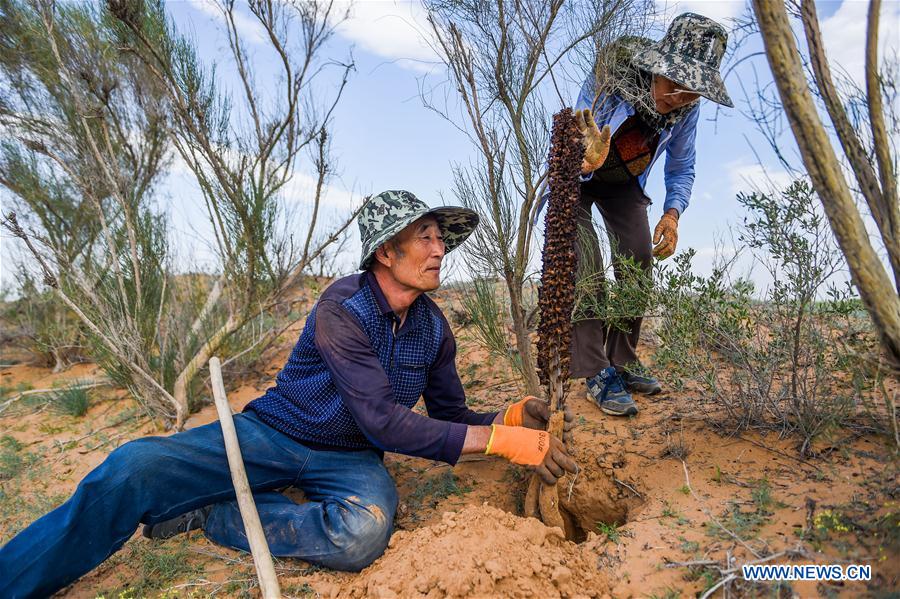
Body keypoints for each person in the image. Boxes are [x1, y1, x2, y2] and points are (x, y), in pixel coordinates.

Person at [0, 190, 577, 598]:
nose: (438, 250)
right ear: (385, 252)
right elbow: (383, 420)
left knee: (364, 532)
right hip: (274, 434)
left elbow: (450, 415)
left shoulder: (432, 326)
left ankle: (216, 516)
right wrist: (501, 442)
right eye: (423, 238)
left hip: (349, 460)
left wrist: (509, 418)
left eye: (440, 240)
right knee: (133, 466)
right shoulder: (341, 309)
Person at [559, 12, 733, 417]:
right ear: (657, 69)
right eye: (674, 85)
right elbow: (581, 124)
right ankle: (596, 371)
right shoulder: (613, 75)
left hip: (624, 184)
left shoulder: (685, 110)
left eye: (692, 92)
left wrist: (673, 214)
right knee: (586, 264)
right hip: (579, 177)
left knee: (638, 260)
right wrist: (583, 156)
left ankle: (622, 359)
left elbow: (682, 165)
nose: (679, 98)